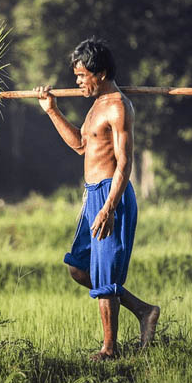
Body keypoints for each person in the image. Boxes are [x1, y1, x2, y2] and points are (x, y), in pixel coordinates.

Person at [35, 37, 160, 361]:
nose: (77, 82)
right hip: (92, 195)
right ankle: (144, 311)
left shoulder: (118, 106)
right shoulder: (96, 106)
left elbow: (125, 163)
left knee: (105, 275)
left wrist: (109, 207)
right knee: (78, 267)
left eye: (81, 76)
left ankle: (110, 349)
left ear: (100, 72)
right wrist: (52, 111)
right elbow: (80, 144)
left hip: (110, 194)